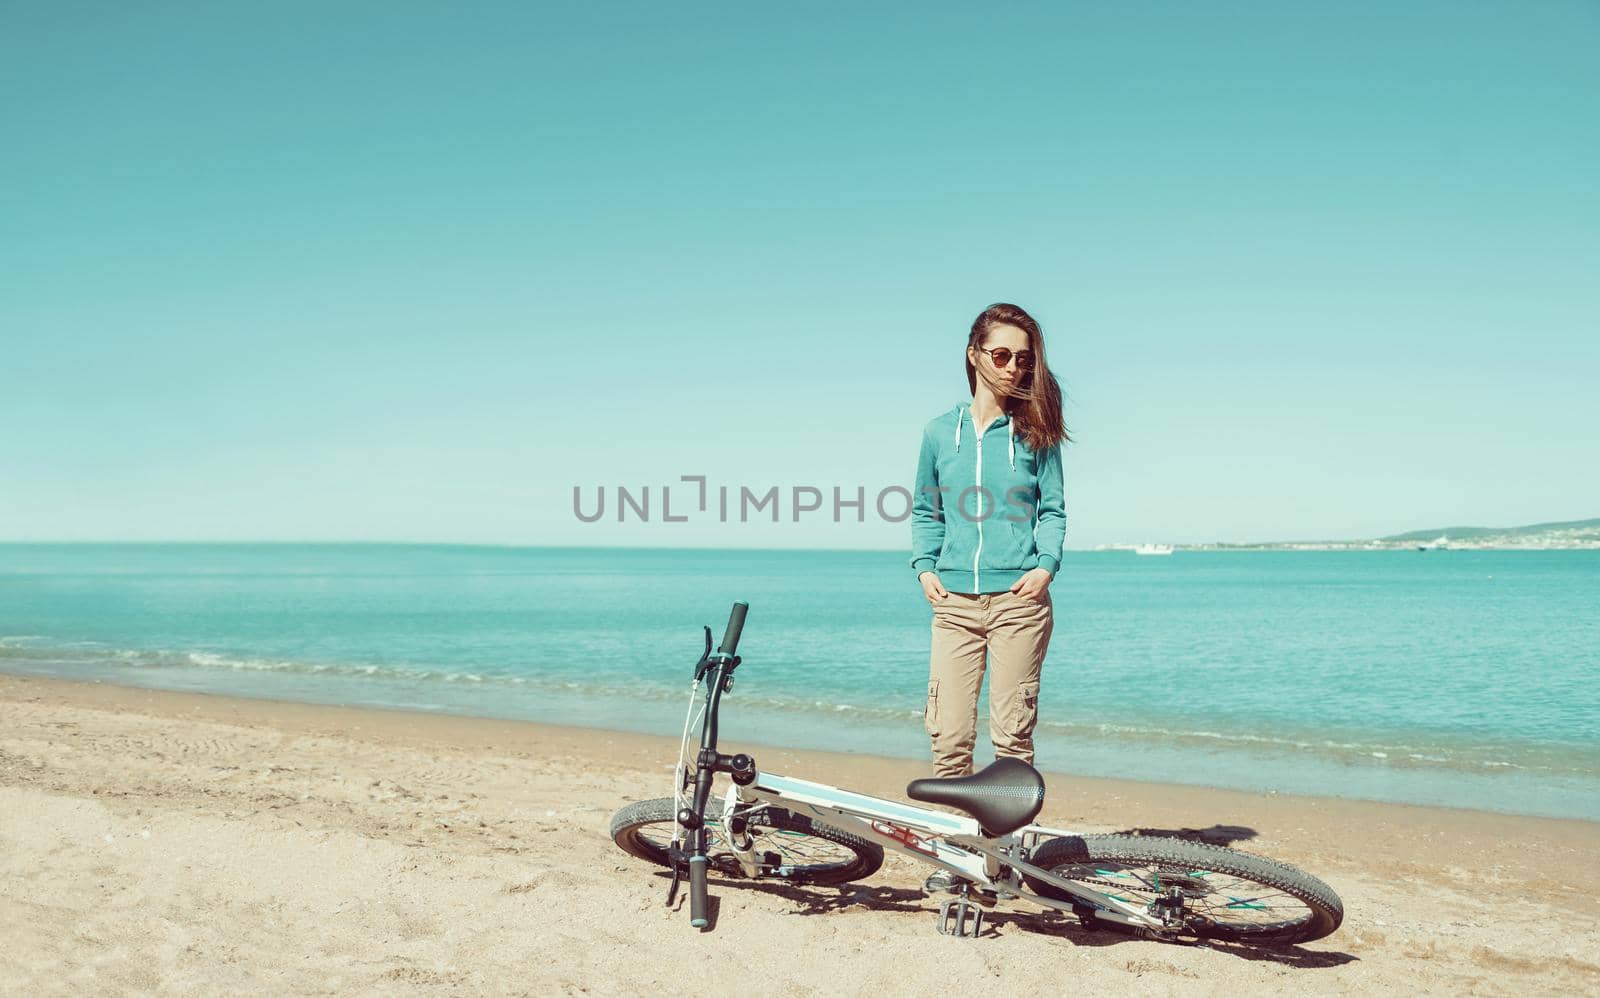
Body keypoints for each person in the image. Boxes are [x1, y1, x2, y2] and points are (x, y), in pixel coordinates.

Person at [910, 302, 1068, 781]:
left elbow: (1053, 509)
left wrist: (1045, 567)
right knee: (949, 737)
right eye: (1001, 355)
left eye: (1023, 359)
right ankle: (958, 850)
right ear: (974, 356)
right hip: (954, 605)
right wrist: (925, 566)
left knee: (1012, 739)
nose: (1013, 367)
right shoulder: (939, 432)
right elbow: (926, 509)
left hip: (1019, 603)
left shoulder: (1036, 432)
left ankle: (1005, 852)